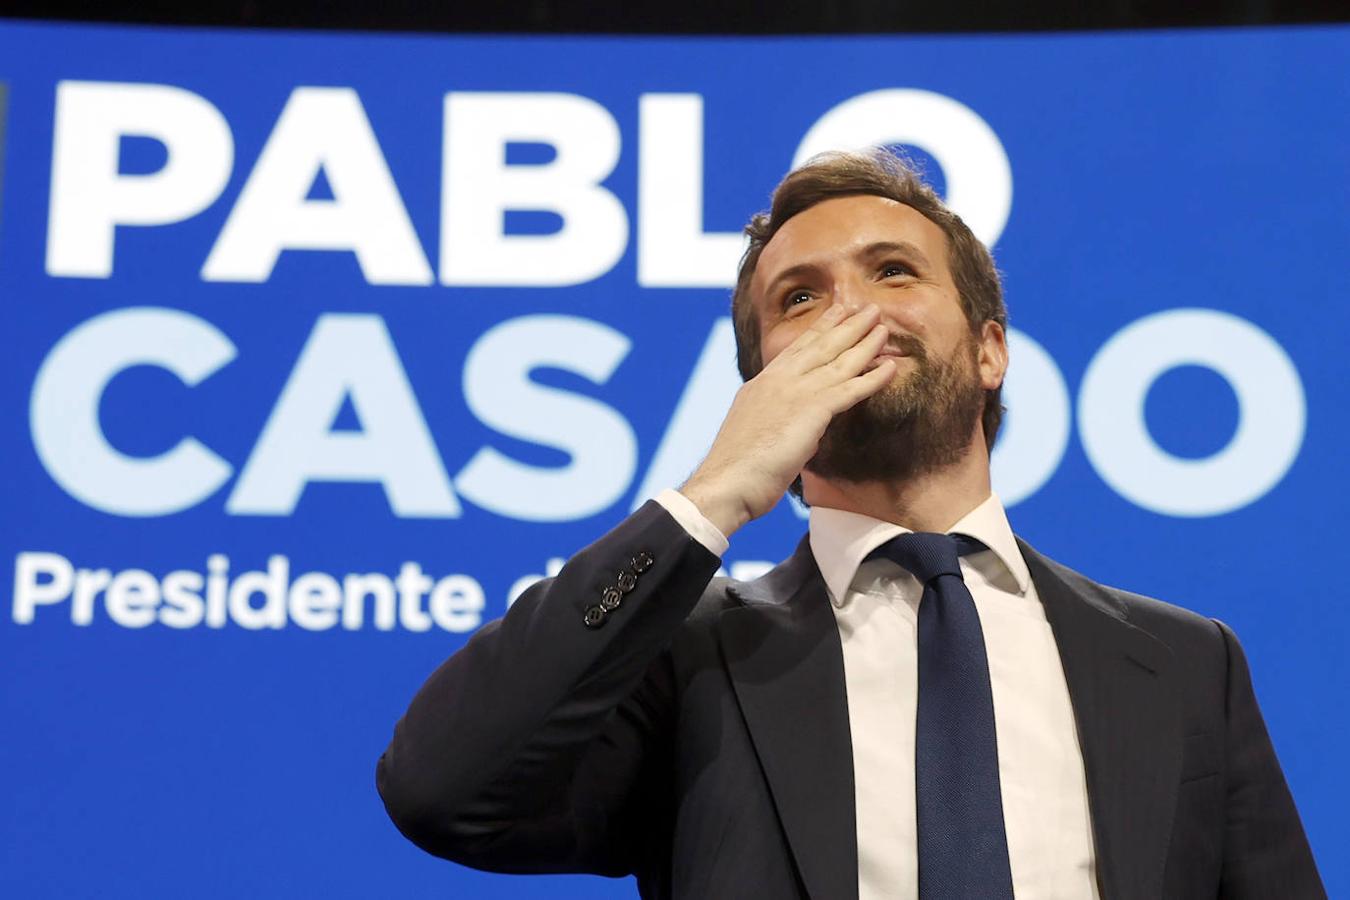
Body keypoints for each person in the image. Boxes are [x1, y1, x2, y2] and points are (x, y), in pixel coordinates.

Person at [376, 149, 1325, 899]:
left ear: (991, 350)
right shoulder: (690, 659)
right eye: (801, 299)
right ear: (765, 386)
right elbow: (442, 788)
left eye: (894, 272)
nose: (853, 314)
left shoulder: (1185, 664)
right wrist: (712, 495)